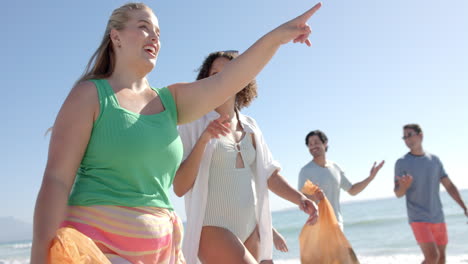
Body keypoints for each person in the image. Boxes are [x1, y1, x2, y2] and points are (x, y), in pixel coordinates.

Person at [30, 2, 323, 263]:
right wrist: (40, 256)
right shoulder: (90, 95)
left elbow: (231, 79)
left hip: (162, 249)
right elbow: (56, 180)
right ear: (115, 36)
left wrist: (279, 36)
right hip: (98, 247)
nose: (154, 37)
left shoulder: (170, 102)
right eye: (143, 28)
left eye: (157, 31)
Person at [175, 51, 318, 264]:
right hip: (212, 228)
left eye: (229, 73)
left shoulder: (251, 126)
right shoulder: (192, 123)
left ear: (242, 78)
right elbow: (179, 187)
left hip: (252, 226)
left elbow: (270, 174)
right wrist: (204, 140)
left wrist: (300, 199)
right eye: (214, 73)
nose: (221, 79)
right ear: (205, 79)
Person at [394, 124, 467, 264]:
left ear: (420, 135)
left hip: (437, 215)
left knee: (441, 258)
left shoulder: (434, 160)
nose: (407, 139)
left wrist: (464, 206)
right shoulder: (402, 163)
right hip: (418, 217)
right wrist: (404, 186)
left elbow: (449, 185)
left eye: (410, 135)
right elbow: (398, 193)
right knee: (432, 257)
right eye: (404, 137)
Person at [297, 130, 384, 230]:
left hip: (337, 224)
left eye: (316, 142)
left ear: (325, 143)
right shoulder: (305, 171)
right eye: (310, 144)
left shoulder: (335, 167)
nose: (313, 146)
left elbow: (352, 190)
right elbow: (301, 200)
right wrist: (315, 196)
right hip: (318, 227)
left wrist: (370, 178)